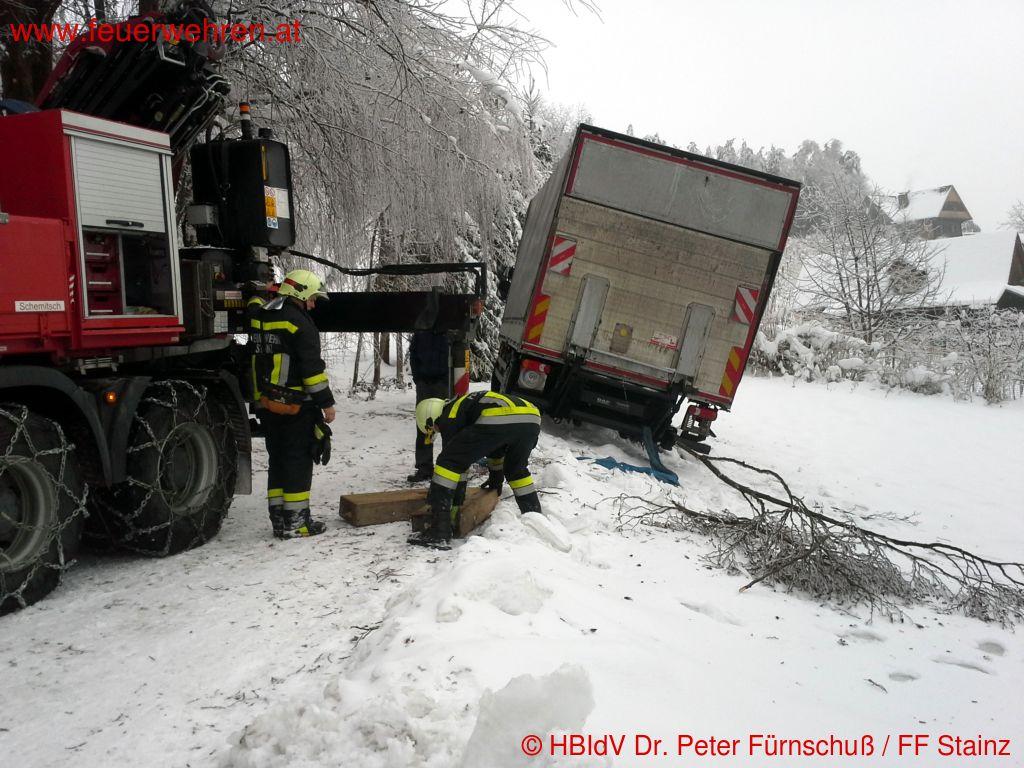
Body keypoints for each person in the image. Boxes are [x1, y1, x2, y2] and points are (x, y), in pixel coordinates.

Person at [249, 269, 336, 539]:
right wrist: (327, 404)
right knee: (298, 461)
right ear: (300, 293)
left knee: (277, 460)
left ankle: (279, 519)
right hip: (296, 407)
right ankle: (296, 523)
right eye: (312, 298)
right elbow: (312, 371)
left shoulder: (261, 315)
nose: (313, 305)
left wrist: (258, 293)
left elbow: (252, 306)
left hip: (267, 404)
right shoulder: (300, 323)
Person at [409, 390, 542, 548]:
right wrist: (496, 480)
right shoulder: (466, 405)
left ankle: (439, 531)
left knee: (447, 461)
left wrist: (455, 504)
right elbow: (496, 449)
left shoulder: (449, 415)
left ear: (432, 417)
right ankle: (537, 520)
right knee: (516, 470)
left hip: (500, 416)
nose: (439, 430)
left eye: (435, 428)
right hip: (531, 418)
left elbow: (456, 466)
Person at [407, 331, 451, 483]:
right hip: (424, 383)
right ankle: (424, 468)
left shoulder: (448, 329)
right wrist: (418, 378)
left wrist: (447, 380)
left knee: (447, 424)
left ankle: (448, 468)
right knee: (424, 425)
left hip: (443, 384)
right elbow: (413, 354)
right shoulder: (421, 331)